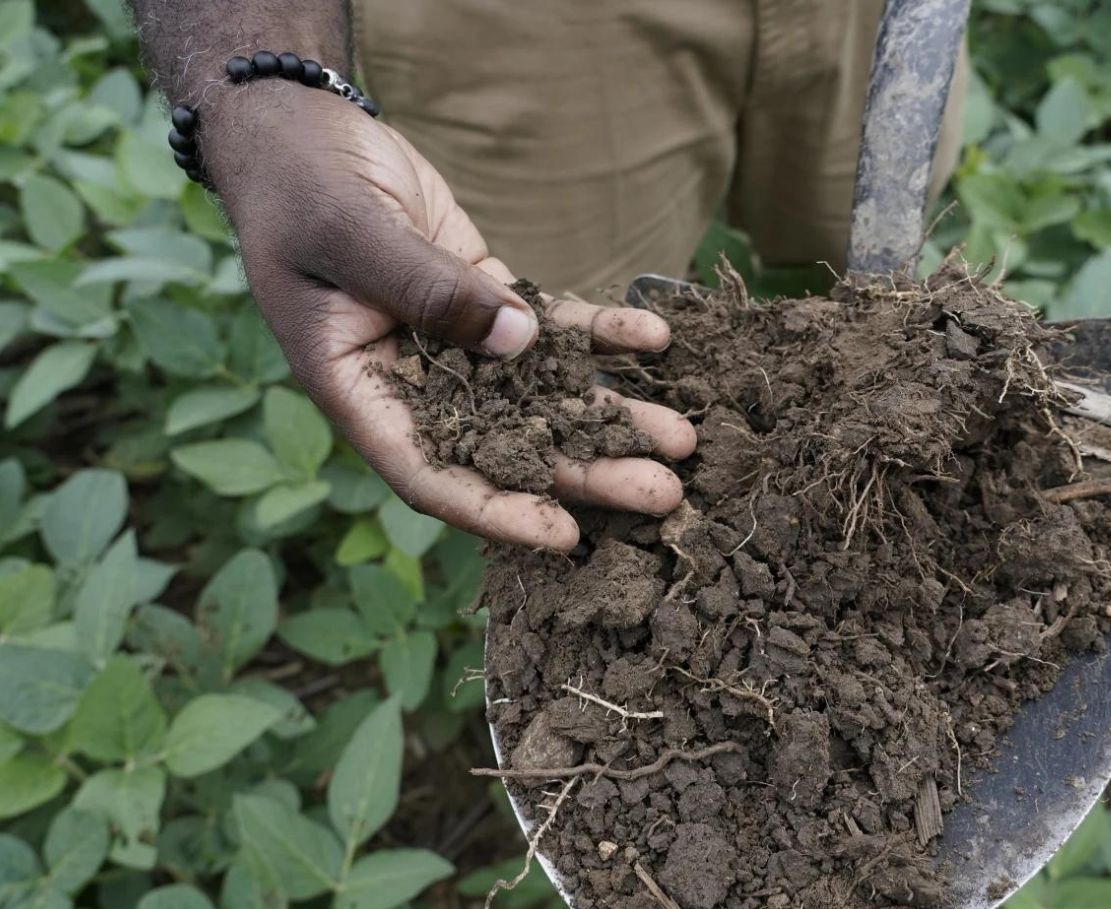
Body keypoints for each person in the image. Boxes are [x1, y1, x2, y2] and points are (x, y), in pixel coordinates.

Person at [130, 0, 967, 549]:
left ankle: (848, 483)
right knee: (549, 408)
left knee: (862, 280)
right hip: (534, 29)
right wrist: (259, 84)